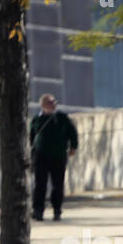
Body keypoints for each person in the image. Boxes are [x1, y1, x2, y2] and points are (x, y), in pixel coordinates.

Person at [28, 93, 78, 221]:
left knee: (58, 185)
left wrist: (73, 147)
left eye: (54, 102)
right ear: (43, 105)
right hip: (41, 157)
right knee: (40, 185)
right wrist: (32, 154)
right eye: (50, 103)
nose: (53, 105)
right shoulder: (37, 119)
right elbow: (32, 138)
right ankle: (38, 210)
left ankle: (57, 210)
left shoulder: (62, 118)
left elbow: (72, 132)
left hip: (58, 156)